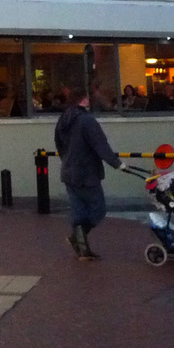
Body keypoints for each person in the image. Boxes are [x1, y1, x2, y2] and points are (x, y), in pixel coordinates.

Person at [53, 88, 125, 260]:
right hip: (87, 173)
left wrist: (67, 160)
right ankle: (76, 239)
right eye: (87, 98)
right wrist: (117, 163)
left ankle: (82, 249)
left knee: (78, 211)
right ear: (83, 100)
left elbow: (58, 143)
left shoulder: (63, 119)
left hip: (69, 172)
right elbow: (100, 145)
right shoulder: (87, 121)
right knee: (98, 209)